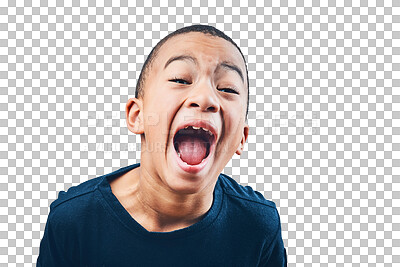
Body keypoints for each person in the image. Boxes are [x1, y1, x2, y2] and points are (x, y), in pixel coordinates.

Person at [37, 24, 287, 266]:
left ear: (241, 138)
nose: (205, 98)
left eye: (227, 88)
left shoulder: (258, 226)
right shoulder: (73, 221)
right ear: (137, 116)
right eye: (180, 79)